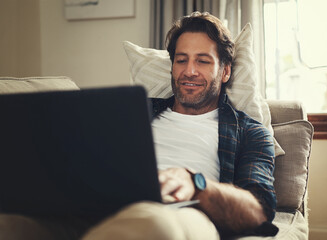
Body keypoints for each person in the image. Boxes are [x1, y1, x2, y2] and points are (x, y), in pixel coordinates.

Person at [0, 12, 278, 240]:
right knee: (10, 225)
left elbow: (259, 211)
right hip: (101, 207)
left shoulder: (250, 132)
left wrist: (195, 183)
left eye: (202, 61)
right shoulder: (133, 111)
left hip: (182, 214)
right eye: (181, 60)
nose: (189, 71)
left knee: (153, 227)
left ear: (225, 70)